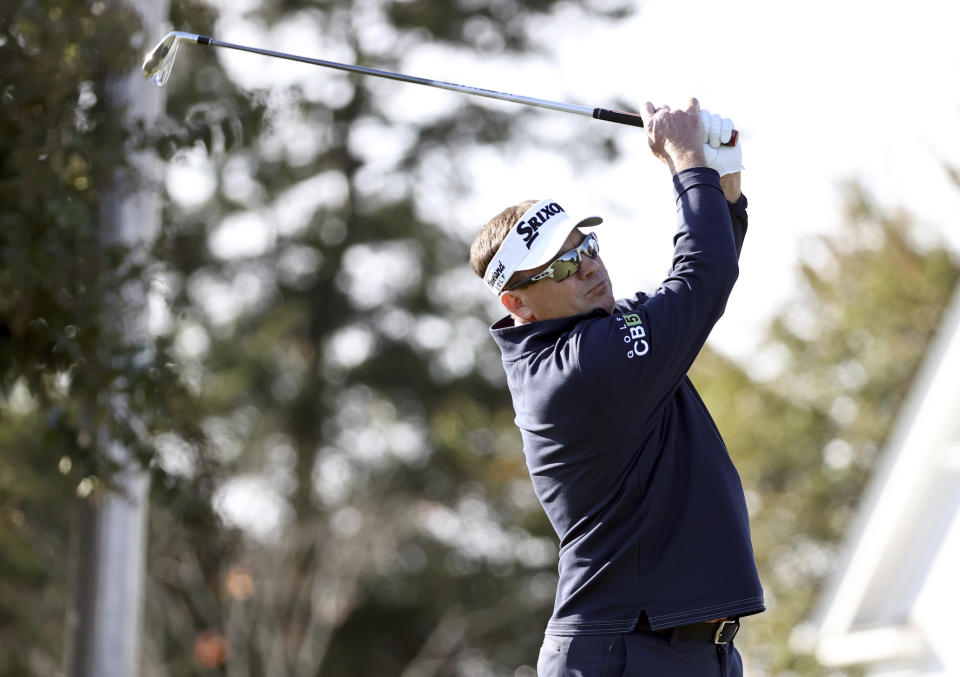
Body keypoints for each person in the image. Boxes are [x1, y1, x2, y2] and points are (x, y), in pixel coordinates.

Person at [469, 98, 764, 676]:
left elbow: (704, 274)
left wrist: (720, 180)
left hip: (691, 650)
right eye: (560, 265)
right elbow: (702, 277)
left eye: (586, 246)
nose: (588, 267)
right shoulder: (581, 369)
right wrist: (685, 161)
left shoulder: (606, 341)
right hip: (623, 652)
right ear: (517, 303)